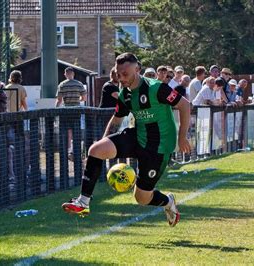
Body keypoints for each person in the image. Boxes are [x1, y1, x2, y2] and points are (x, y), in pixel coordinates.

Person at [62, 52, 191, 227]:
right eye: (118, 74)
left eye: (125, 74)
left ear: (137, 69)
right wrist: (103, 143)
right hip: (137, 136)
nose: (121, 78)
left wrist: (182, 138)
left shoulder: (157, 88)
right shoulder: (125, 94)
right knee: (95, 150)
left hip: (158, 148)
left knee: (142, 198)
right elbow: (116, 120)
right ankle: (83, 202)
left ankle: (168, 202)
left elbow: (184, 105)